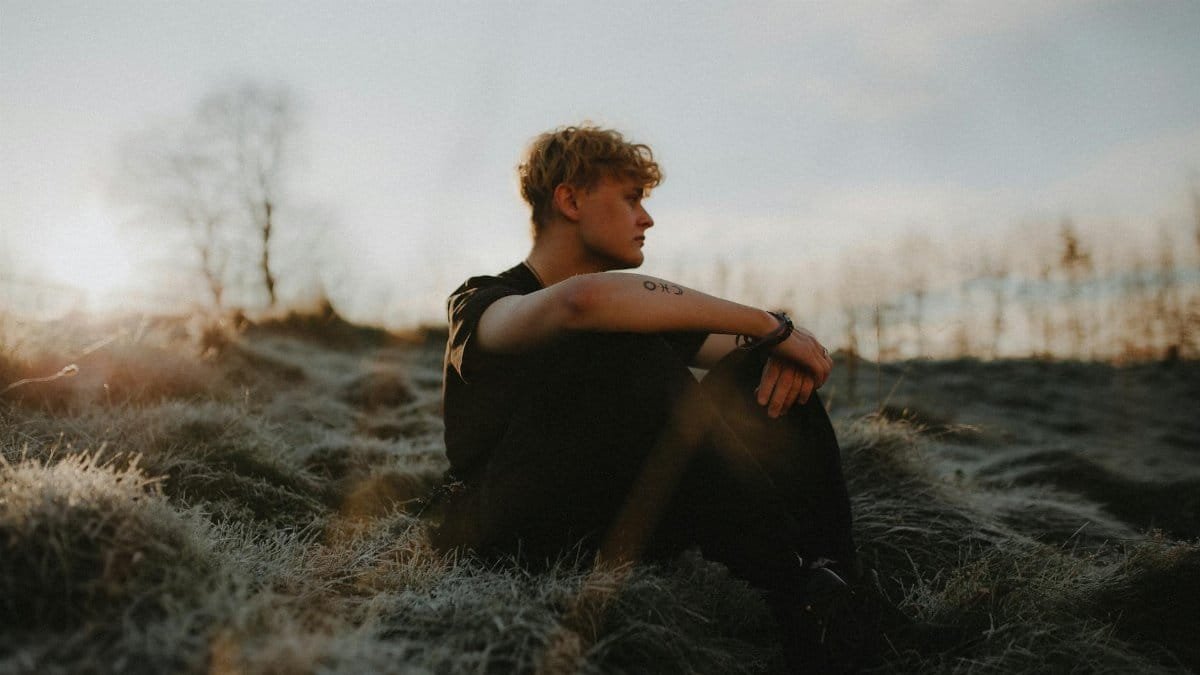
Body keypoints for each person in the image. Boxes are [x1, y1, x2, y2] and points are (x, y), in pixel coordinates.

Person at [435, 124, 859, 669]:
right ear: (570, 201)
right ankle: (790, 578)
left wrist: (779, 343)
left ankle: (835, 588)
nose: (647, 218)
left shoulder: (628, 312)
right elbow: (581, 303)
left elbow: (751, 348)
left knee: (761, 363)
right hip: (514, 531)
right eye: (631, 199)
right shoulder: (483, 300)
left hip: (619, 511)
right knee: (616, 345)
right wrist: (769, 324)